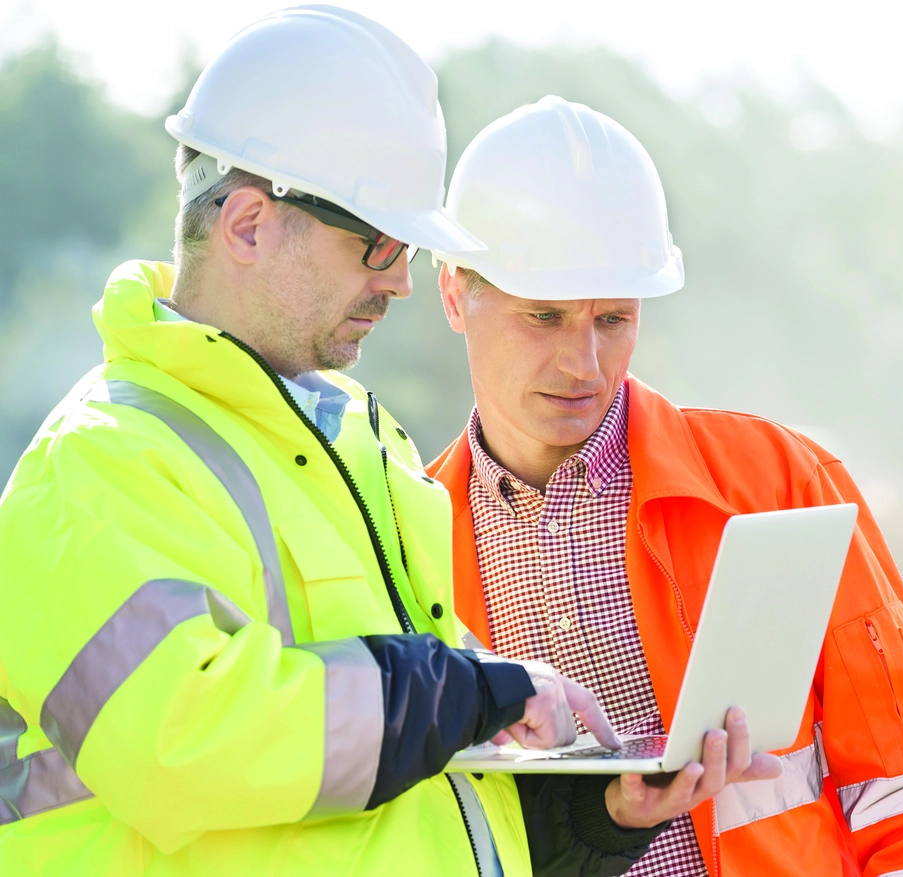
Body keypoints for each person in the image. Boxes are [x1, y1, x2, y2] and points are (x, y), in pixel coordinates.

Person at [0, 9, 769, 876]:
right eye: (379, 246)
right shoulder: (100, 464)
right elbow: (179, 744)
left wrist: (596, 822)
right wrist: (464, 690)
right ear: (249, 224)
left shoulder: (365, 448)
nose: (401, 282)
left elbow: (409, 799)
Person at [427, 96, 903, 876]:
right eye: (545, 316)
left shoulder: (777, 480)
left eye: (614, 320)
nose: (584, 364)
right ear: (455, 293)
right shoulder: (407, 534)